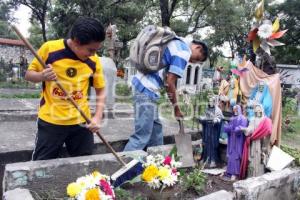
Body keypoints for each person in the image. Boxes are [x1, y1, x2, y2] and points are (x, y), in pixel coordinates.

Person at [25, 17, 106, 160]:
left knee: (84, 165)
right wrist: (42, 76)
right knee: (41, 165)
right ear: (76, 42)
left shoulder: (93, 60)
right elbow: (28, 75)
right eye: (90, 50)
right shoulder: (49, 49)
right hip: (51, 121)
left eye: (96, 50)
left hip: (81, 122)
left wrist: (98, 116)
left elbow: (101, 88)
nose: (93, 54)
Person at [123, 38, 208, 151]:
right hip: (146, 90)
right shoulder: (184, 52)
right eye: (196, 58)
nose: (192, 62)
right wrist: (176, 108)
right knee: (141, 137)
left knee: (156, 134)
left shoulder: (177, 42)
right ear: (198, 48)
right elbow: (170, 83)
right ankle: (125, 166)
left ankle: (157, 164)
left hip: (148, 90)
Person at [240, 104, 272, 179]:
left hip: (262, 142)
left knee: (260, 158)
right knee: (252, 158)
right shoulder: (253, 119)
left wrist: (265, 143)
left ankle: (259, 175)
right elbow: (250, 129)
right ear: (254, 111)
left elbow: (268, 130)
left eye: (259, 109)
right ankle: (251, 176)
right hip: (254, 142)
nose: (257, 111)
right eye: (256, 109)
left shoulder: (265, 120)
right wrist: (245, 129)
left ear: (262, 110)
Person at [223, 105, 248, 181]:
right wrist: (227, 127)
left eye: (236, 109)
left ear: (239, 109)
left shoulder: (243, 118)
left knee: (236, 156)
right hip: (232, 140)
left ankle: (235, 173)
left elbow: (243, 127)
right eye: (234, 109)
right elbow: (229, 127)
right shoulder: (232, 118)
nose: (235, 111)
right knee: (231, 156)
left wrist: (238, 129)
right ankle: (229, 171)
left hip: (238, 140)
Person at [198, 96, 223, 168]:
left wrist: (216, 120)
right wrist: (201, 119)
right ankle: (206, 158)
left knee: (213, 144)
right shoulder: (207, 109)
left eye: (211, 101)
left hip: (214, 129)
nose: (210, 102)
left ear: (214, 102)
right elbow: (204, 117)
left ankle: (213, 160)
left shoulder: (218, 110)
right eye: (209, 101)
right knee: (206, 143)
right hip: (207, 129)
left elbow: (220, 118)